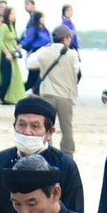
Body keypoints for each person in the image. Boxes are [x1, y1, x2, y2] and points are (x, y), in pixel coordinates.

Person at [26, 26, 81, 156]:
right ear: (65, 39)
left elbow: (30, 63)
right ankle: (68, 154)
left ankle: (46, 150)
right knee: (67, 128)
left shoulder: (44, 51)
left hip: (47, 93)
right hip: (66, 95)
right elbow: (77, 71)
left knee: (46, 125)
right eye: (69, 38)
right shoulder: (72, 54)